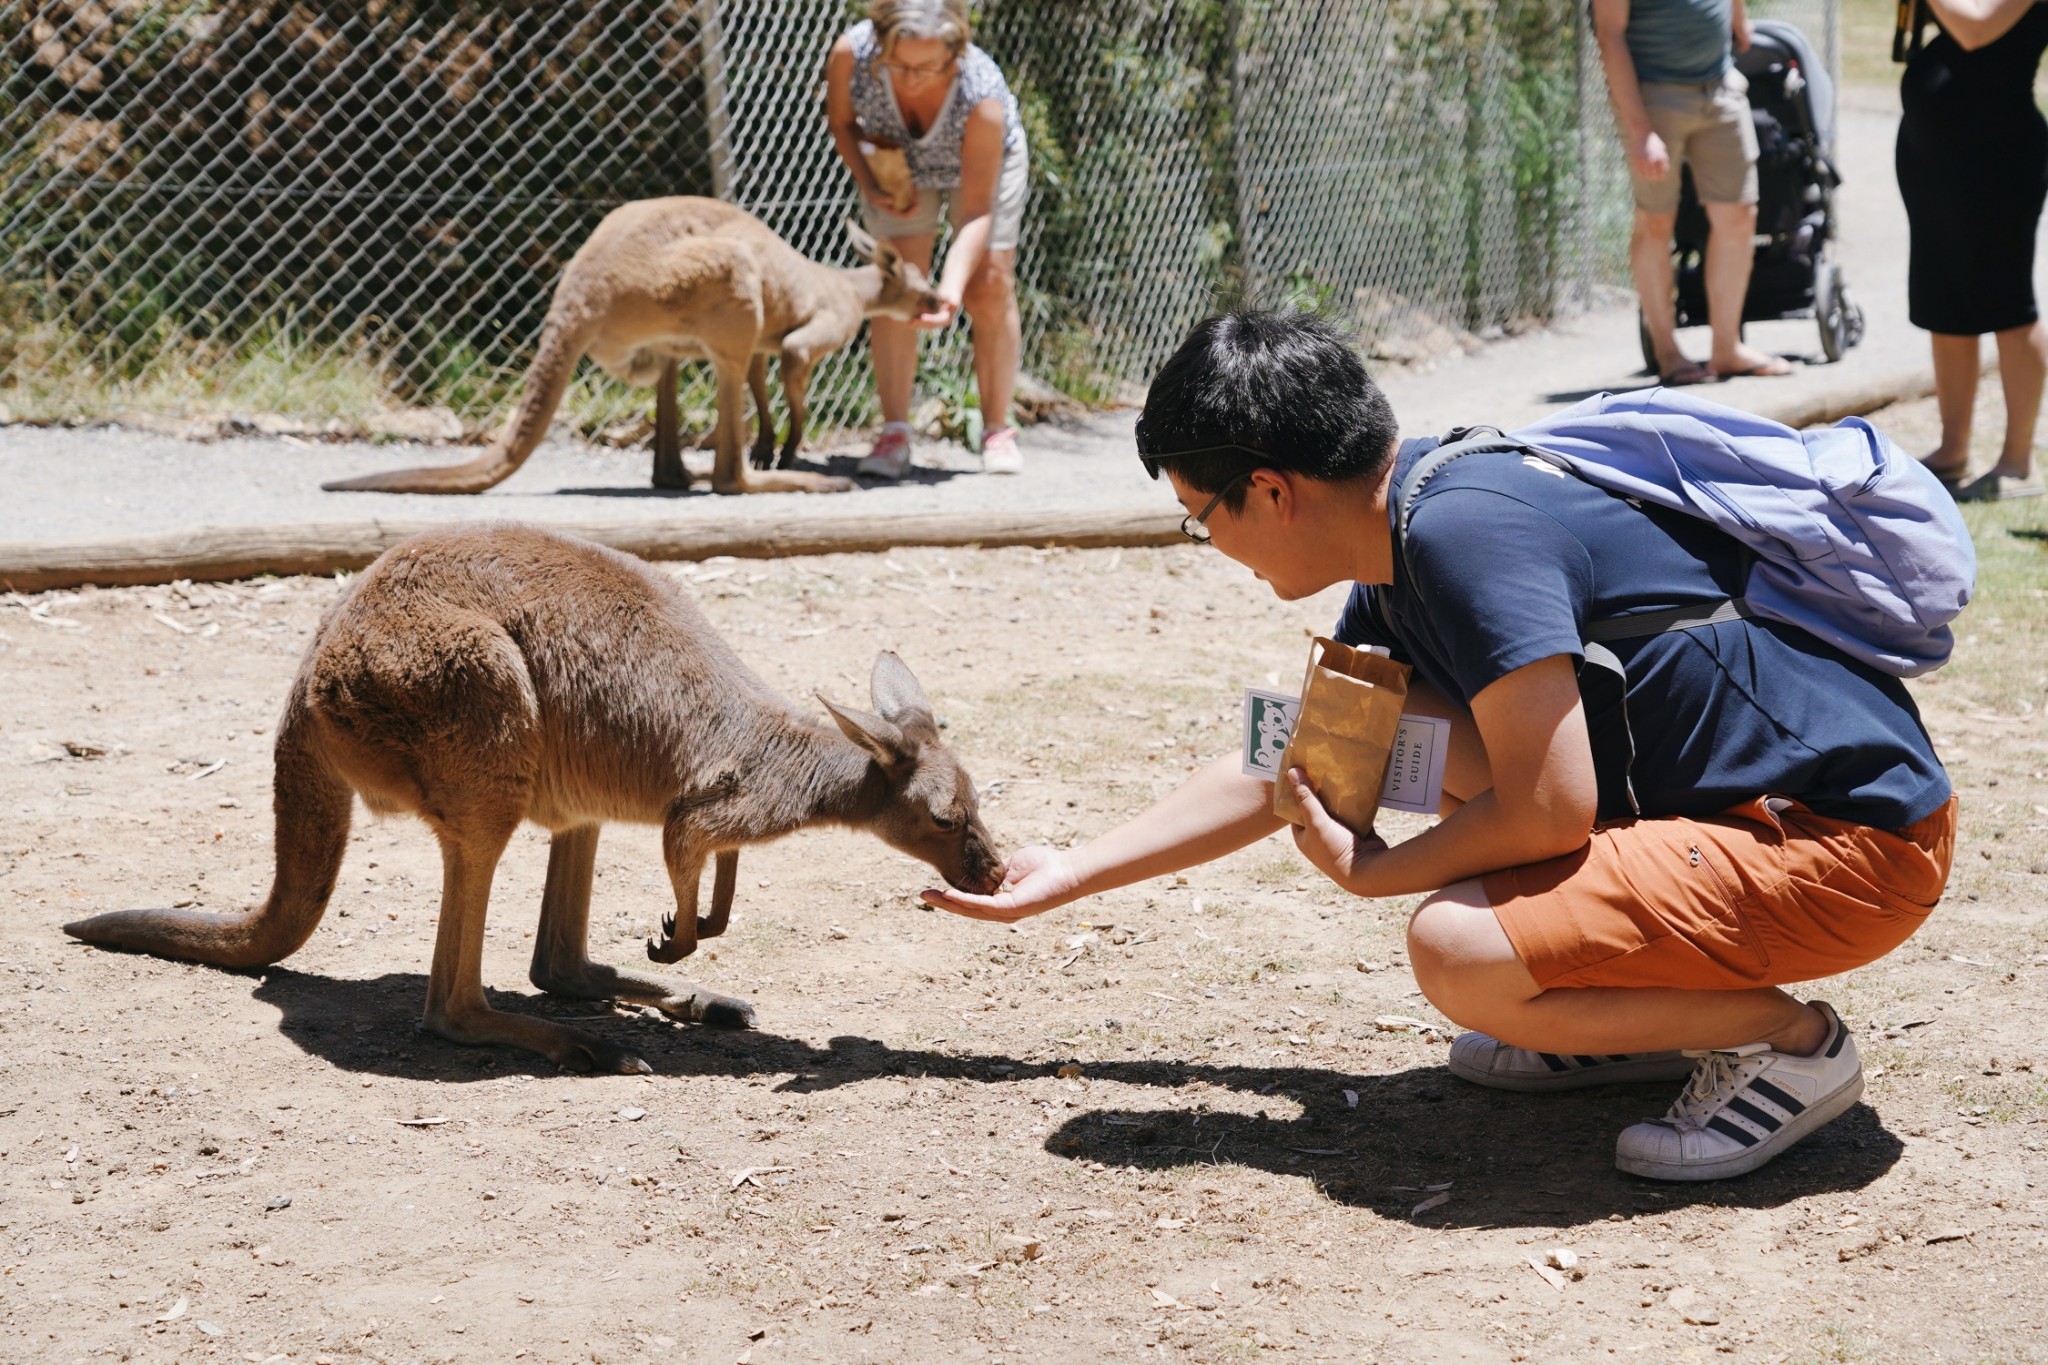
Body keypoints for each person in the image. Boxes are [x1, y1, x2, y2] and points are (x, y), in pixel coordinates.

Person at [924, 312, 1957, 1182]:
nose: (1214, 548)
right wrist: (1067, 876)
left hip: (1843, 847)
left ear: (1272, 492)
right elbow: (1295, 762)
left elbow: (1550, 806)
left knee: (1456, 951)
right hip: (1744, 824)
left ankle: (1787, 1045)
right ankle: (1622, 1019)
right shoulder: (1406, 524)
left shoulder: (1459, 538)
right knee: (1391, 727)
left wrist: (1376, 873)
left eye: (1201, 517)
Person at [825, 0, 1029, 478]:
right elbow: (842, 123)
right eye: (898, 65)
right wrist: (872, 184)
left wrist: (952, 291)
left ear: (956, 53)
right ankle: (894, 431)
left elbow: (978, 209)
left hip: (979, 166)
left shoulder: (982, 93)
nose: (911, 78)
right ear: (880, 44)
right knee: (897, 288)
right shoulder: (851, 54)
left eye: (927, 67)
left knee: (988, 284)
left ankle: (996, 429)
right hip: (898, 165)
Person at [1593, 0, 1793, 385]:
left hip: (1720, 86)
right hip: (1653, 97)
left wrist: (1739, 18)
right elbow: (1609, 33)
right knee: (1655, 221)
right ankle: (1668, 354)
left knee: (1738, 215)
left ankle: (1727, 348)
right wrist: (1640, 131)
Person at [1897, 0, 2048, 502]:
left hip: (1999, 154)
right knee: (1945, 296)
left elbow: (1976, 29)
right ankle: (1952, 450)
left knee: (2009, 302)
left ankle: (2018, 464)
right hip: (1936, 154)